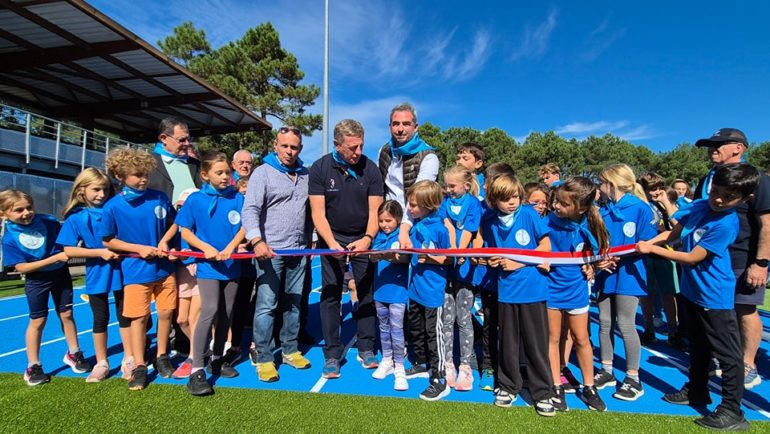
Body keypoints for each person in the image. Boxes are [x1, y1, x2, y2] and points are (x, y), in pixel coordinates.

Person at [637, 163, 760, 431]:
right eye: (716, 191)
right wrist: (652, 242)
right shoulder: (702, 205)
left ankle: (732, 410)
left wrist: (652, 250)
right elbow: (675, 232)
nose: (718, 199)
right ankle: (697, 390)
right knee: (698, 345)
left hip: (713, 296)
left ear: (744, 199)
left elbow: (693, 257)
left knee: (727, 355)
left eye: (728, 197)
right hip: (691, 291)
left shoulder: (727, 223)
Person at [693, 128, 770, 390]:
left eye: (719, 145)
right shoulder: (707, 179)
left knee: (744, 308)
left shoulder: (756, 178)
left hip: (741, 256)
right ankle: (724, 358)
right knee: (717, 310)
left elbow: (767, 223)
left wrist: (760, 263)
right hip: (710, 258)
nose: (712, 149)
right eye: (710, 145)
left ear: (738, 148)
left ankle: (748, 363)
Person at [309, 119, 384, 378]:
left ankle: (366, 346)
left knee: (365, 292)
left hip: (362, 238)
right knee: (330, 294)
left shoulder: (371, 169)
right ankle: (332, 353)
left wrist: (367, 238)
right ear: (337, 145)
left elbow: (375, 211)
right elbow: (318, 214)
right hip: (331, 238)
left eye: (361, 145)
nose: (358, 152)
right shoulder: (320, 169)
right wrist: (331, 245)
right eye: (352, 147)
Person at [100, 147, 178, 390]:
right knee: (139, 318)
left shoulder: (160, 197)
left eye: (145, 174)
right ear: (120, 176)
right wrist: (139, 248)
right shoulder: (113, 206)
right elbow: (108, 240)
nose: (143, 179)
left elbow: (175, 224)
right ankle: (140, 364)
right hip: (135, 271)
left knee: (166, 313)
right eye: (137, 175)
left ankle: (162, 355)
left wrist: (168, 242)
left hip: (164, 269)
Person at [479, 174, 555, 416]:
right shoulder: (489, 220)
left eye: (515, 197)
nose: (511, 202)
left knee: (535, 344)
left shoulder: (529, 214)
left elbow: (545, 247)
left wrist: (519, 262)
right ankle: (509, 386)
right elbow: (487, 250)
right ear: (493, 200)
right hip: (505, 292)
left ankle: (542, 392)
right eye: (504, 199)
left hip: (532, 290)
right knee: (508, 344)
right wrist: (488, 258)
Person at [243, 126, 312, 382]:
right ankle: (263, 357)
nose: (289, 151)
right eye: (284, 146)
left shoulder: (305, 174)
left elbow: (309, 212)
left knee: (293, 304)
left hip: (299, 251)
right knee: (267, 306)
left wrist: (311, 240)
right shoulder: (262, 172)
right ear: (275, 146)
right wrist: (256, 240)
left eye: (294, 147)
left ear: (300, 149)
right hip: (269, 252)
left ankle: (290, 350)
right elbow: (249, 209)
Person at [1, 189, 88, 386]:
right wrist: (54, 258)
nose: (26, 213)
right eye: (19, 210)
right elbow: (22, 267)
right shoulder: (9, 239)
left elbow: (67, 241)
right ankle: (33, 365)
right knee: (38, 320)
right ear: (4, 213)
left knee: (66, 315)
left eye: (29, 207)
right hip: (36, 281)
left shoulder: (49, 222)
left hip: (60, 275)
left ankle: (74, 353)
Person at [176, 152, 245, 396]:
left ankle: (217, 357)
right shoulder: (196, 200)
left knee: (226, 313)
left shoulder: (237, 197)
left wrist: (229, 248)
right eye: (220, 172)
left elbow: (244, 227)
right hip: (208, 267)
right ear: (205, 175)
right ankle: (197, 368)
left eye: (227, 172)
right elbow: (185, 231)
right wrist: (206, 248)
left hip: (231, 265)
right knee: (209, 310)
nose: (226, 176)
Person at [57, 168, 130, 383]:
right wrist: (100, 252)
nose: (101, 194)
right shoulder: (77, 218)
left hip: (122, 269)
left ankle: (129, 358)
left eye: (105, 189)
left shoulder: (115, 210)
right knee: (100, 318)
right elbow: (69, 250)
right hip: (97, 272)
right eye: (96, 189)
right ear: (81, 191)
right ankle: (101, 362)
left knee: (125, 315)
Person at [593, 164, 657, 401]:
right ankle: (607, 370)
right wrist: (601, 260)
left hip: (630, 273)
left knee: (626, 324)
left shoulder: (640, 208)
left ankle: (633, 378)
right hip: (605, 273)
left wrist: (622, 255)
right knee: (605, 322)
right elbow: (598, 243)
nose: (599, 188)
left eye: (601, 182)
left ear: (611, 184)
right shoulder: (603, 211)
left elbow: (646, 243)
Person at [546, 177, 609, 412]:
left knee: (581, 338)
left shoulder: (590, 224)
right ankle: (556, 385)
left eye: (563, 204)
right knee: (553, 337)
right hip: (551, 288)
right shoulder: (547, 224)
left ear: (581, 208)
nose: (556, 207)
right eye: (557, 201)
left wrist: (593, 265)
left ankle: (589, 386)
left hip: (577, 288)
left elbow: (598, 253)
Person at [405, 180, 451, 401]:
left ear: (429, 205)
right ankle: (422, 363)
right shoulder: (416, 226)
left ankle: (440, 379)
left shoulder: (440, 229)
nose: (409, 209)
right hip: (415, 289)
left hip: (433, 292)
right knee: (417, 329)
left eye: (414, 205)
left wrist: (431, 259)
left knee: (434, 336)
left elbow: (448, 259)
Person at [473, 162, 515, 391]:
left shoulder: (519, 211)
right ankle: (488, 367)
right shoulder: (481, 211)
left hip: (516, 283)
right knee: (490, 324)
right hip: (490, 280)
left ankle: (512, 367)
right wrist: (480, 256)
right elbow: (477, 241)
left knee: (512, 328)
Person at [440, 165, 482, 390]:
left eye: (452, 186)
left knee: (464, 319)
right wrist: (454, 250)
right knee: (447, 318)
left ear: (465, 185)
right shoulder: (444, 203)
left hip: (465, 270)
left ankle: (465, 364)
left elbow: (469, 229)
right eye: (445, 185)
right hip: (447, 266)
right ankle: (447, 363)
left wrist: (461, 250)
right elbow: (446, 225)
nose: (448, 190)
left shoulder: (473, 203)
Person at [377, 103, 438, 249]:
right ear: (390, 126)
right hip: (389, 227)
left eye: (406, 124)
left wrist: (404, 230)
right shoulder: (383, 151)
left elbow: (418, 197)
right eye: (395, 124)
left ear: (415, 127)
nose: (400, 129)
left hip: (416, 225)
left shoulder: (429, 157)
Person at [638, 172, 684, 350]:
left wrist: (666, 202)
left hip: (664, 252)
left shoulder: (666, 205)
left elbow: (676, 227)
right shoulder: (640, 205)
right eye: (652, 189)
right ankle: (648, 329)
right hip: (643, 254)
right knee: (646, 293)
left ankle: (673, 330)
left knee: (668, 293)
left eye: (659, 188)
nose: (656, 192)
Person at [369, 200, 410, 391]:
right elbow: (372, 255)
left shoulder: (401, 236)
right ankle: (387, 359)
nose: (385, 225)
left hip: (398, 292)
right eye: (381, 221)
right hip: (380, 291)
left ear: (398, 219)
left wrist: (385, 255)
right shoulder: (378, 236)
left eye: (389, 220)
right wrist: (374, 255)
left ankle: (399, 365)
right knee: (383, 327)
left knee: (397, 328)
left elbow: (403, 257)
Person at [148, 117, 202, 205]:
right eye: (182, 140)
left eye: (188, 139)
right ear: (164, 138)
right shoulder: (148, 163)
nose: (187, 143)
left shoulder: (195, 164)